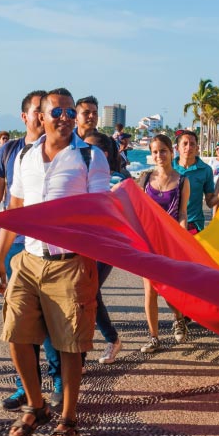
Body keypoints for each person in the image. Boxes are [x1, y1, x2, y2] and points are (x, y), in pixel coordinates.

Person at [0, 88, 110, 436]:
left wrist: (90, 263)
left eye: (69, 112)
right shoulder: (24, 156)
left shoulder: (90, 157)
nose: (63, 117)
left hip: (70, 262)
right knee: (16, 333)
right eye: (56, 112)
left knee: (69, 345)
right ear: (41, 117)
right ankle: (36, 405)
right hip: (28, 259)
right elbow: (15, 208)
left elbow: (98, 211)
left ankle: (67, 416)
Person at [0, 90, 65, 411]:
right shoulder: (9, 151)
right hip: (16, 246)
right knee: (20, 324)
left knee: (51, 322)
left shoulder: (58, 151)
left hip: (51, 249)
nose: (41, 116)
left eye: (44, 111)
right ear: (25, 117)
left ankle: (60, 384)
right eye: (37, 111)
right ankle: (26, 387)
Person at [136, 134, 190, 354]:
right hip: (148, 240)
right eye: (155, 151)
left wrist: (182, 237)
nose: (159, 155)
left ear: (172, 152)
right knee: (150, 290)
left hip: (170, 241)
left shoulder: (182, 181)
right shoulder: (145, 179)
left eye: (163, 151)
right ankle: (154, 337)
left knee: (169, 289)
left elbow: (182, 213)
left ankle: (178, 319)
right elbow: (136, 207)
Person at [84, 130, 127, 363]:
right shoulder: (81, 177)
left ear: (105, 153)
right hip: (84, 243)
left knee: (90, 290)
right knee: (86, 292)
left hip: (108, 244)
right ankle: (81, 349)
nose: (86, 153)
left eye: (91, 149)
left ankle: (110, 339)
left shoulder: (118, 180)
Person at [173, 129, 217, 244]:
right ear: (177, 148)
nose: (189, 147)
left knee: (192, 259)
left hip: (194, 224)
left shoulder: (206, 170)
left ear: (197, 148)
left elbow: (210, 202)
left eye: (192, 144)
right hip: (170, 223)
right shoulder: (169, 168)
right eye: (185, 144)